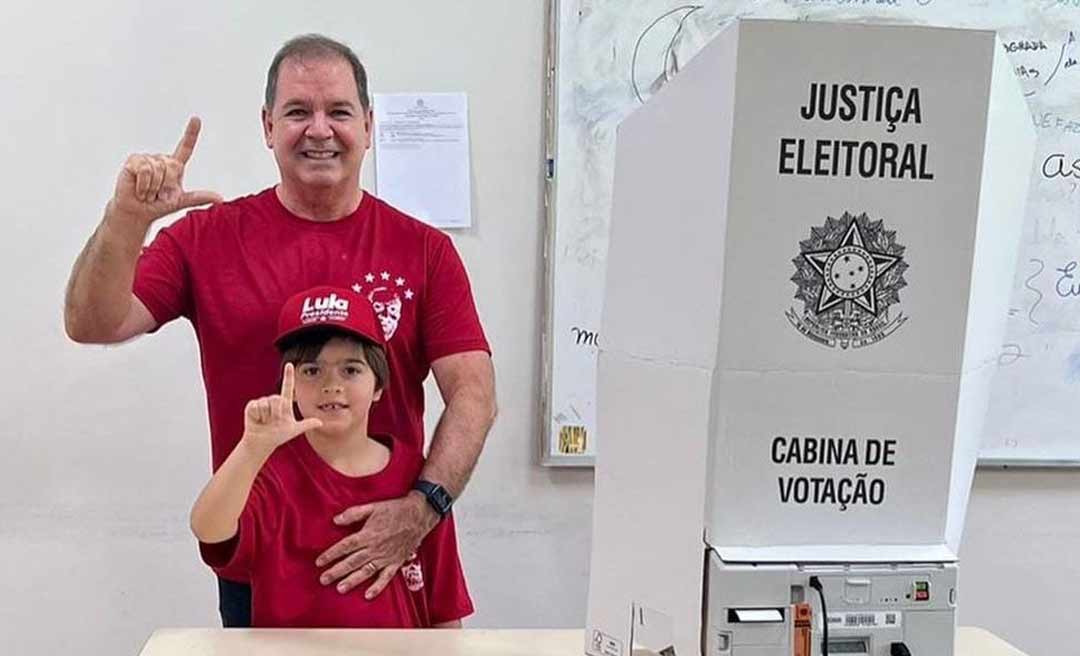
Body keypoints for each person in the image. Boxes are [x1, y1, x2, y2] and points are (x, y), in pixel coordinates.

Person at [63, 34, 496, 626]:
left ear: (368, 125)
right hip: (258, 561)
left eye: (339, 111)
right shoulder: (206, 238)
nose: (319, 129)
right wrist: (125, 219)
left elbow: (474, 394)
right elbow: (92, 323)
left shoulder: (425, 251)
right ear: (268, 126)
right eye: (298, 112)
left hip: (390, 554)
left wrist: (423, 509)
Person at [191, 286, 472, 628]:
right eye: (312, 370)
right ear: (289, 384)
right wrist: (251, 449)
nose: (331, 384)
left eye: (351, 370)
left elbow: (444, 610)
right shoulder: (272, 472)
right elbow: (208, 530)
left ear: (379, 386)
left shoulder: (416, 480)